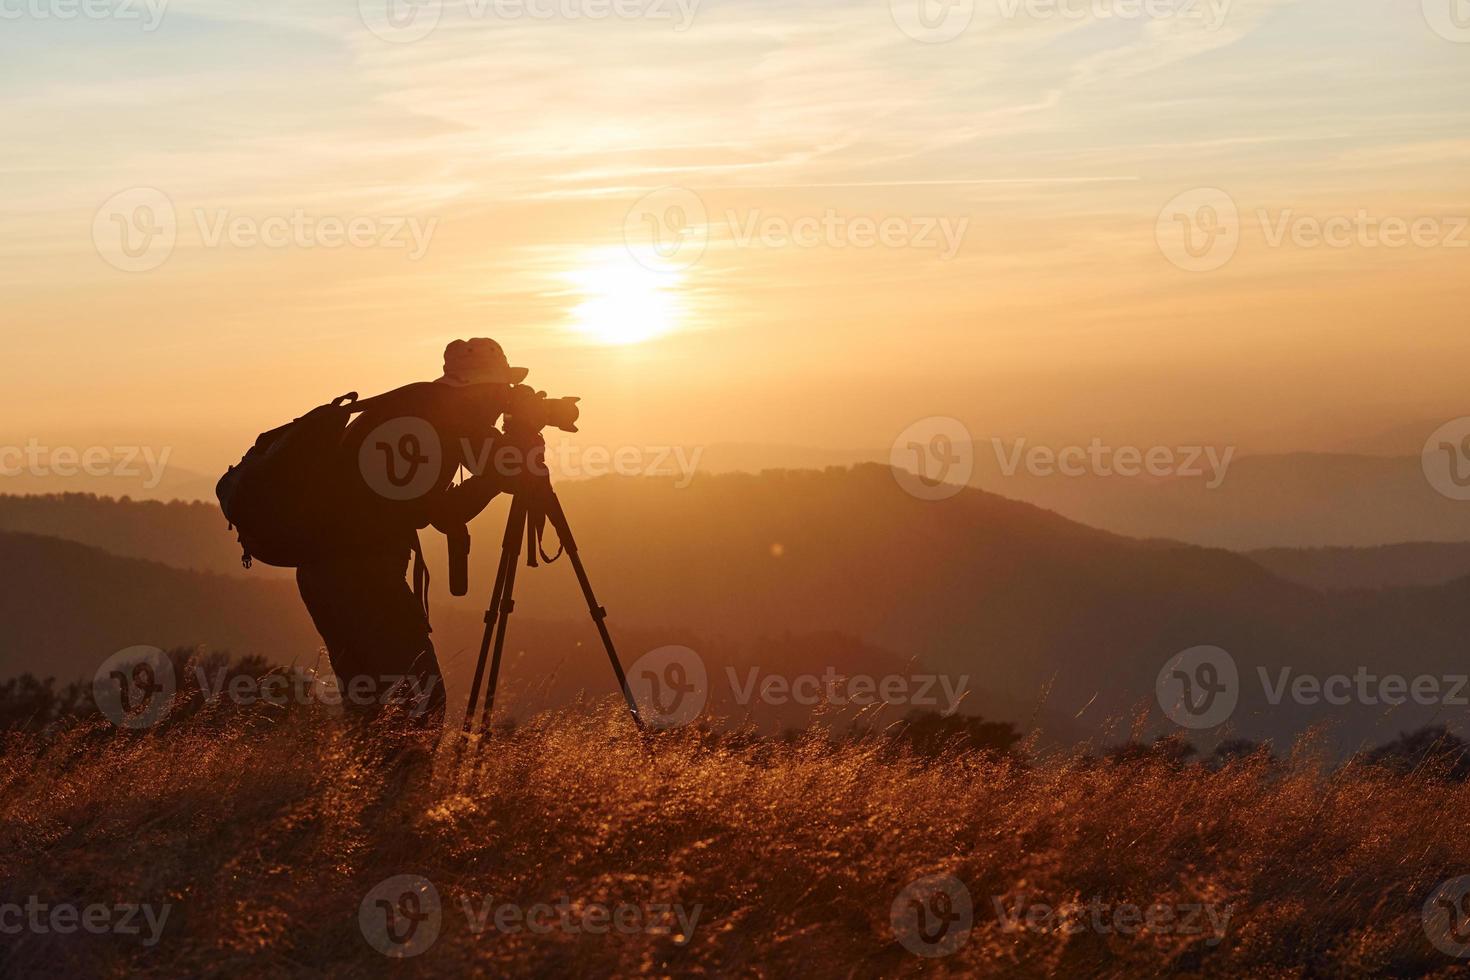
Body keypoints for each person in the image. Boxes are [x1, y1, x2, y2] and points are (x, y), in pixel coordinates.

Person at [295, 338, 531, 732]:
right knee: (422, 699)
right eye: (501, 389)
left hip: (321, 571)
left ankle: (365, 788)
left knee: (368, 705)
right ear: (482, 387)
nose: (503, 398)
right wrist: (510, 460)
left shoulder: (411, 407)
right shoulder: (450, 421)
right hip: (364, 574)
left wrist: (500, 463)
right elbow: (447, 513)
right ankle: (403, 788)